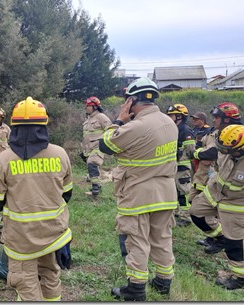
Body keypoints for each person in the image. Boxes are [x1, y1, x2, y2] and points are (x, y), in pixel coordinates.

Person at [99, 77, 178, 301]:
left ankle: (135, 289)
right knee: (162, 238)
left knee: (137, 240)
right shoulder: (168, 122)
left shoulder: (136, 126)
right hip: (165, 192)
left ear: (132, 100)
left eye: (127, 101)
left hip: (139, 193)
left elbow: (106, 144)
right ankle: (163, 282)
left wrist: (119, 120)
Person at [0, 96, 73, 301]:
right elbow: (67, 194)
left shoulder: (4, 159)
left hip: (20, 238)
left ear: (14, 127)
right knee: (51, 275)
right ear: (44, 125)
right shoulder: (60, 154)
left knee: (25, 281)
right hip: (53, 234)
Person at [190, 124, 244, 290]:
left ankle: (241, 277)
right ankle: (219, 238)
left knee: (235, 242)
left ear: (243, 147)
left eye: (228, 150)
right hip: (214, 192)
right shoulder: (226, 145)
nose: (224, 152)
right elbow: (219, 166)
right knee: (196, 213)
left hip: (237, 203)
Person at [191, 102, 242, 249]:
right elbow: (200, 146)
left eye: (216, 117)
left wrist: (198, 153)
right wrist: (199, 152)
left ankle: (221, 240)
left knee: (221, 217)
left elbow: (212, 152)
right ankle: (216, 238)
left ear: (226, 119)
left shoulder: (236, 134)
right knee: (199, 210)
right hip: (215, 179)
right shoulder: (216, 131)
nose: (213, 120)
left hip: (230, 186)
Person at [165, 103, 195, 227]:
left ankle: (186, 217)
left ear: (180, 117)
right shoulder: (172, 129)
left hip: (182, 167)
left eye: (173, 115)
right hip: (173, 166)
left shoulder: (185, 130)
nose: (170, 118)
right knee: (174, 192)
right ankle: (176, 213)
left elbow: (191, 151)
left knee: (183, 192)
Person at [81, 96, 112, 198]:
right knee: (90, 166)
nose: (87, 108)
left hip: (98, 147)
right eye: (87, 106)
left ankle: (95, 189)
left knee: (92, 163)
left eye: (89, 106)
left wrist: (107, 144)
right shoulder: (88, 119)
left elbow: (111, 130)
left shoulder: (101, 117)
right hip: (88, 148)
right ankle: (97, 185)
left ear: (95, 107)